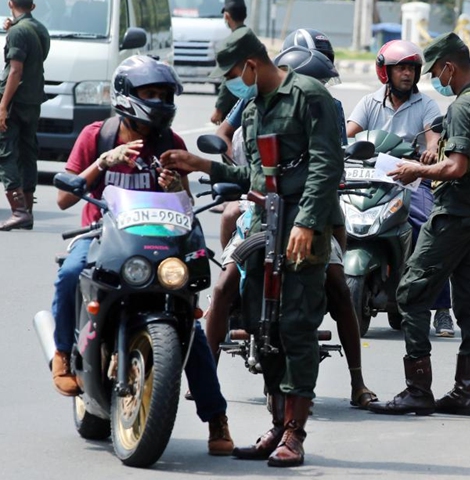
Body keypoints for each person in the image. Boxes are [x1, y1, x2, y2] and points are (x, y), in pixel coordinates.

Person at [160, 27, 344, 467]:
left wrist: (306, 222)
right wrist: (202, 164)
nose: (230, 85)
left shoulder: (308, 95)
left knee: (298, 328)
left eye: (232, 74)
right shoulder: (253, 110)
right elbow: (255, 179)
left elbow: (326, 164)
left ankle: (295, 433)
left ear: (251, 64)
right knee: (268, 330)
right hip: (266, 228)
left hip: (303, 230)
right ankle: (277, 424)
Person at [49, 55, 235, 455]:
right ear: (127, 97)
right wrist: (103, 163)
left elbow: (185, 204)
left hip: (158, 244)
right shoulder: (97, 136)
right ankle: (62, 355)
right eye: (151, 94)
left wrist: (173, 186)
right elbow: (65, 196)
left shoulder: (172, 144)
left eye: (165, 94)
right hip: (101, 236)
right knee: (70, 273)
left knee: (190, 325)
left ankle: (216, 417)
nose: (160, 101)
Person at [367, 33, 470, 417]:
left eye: (435, 70)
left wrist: (416, 170)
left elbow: (456, 166)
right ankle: (464, 392)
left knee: (410, 294)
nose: (433, 79)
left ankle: (418, 390)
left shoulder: (462, 107)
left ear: (448, 67)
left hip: (454, 214)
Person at [346, 39, 456, 337]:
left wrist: (431, 151)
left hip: (411, 177)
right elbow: (348, 133)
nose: (407, 74)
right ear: (386, 72)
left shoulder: (426, 104)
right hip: (370, 177)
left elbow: (433, 137)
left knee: (428, 229)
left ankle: (442, 308)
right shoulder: (369, 102)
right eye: (401, 68)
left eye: (411, 68)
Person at [0, 0, 49, 231]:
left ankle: (18, 211)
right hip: (33, 99)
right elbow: (36, 60)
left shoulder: (18, 31)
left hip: (15, 102)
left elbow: (16, 70)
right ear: (33, 6)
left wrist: (2, 105)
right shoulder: (39, 29)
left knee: (7, 152)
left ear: (10, 3)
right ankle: (27, 210)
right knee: (28, 152)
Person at [209, 0, 247, 126]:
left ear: (227, 16)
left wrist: (218, 109)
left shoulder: (234, 42)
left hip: (236, 105)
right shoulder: (248, 37)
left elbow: (230, 78)